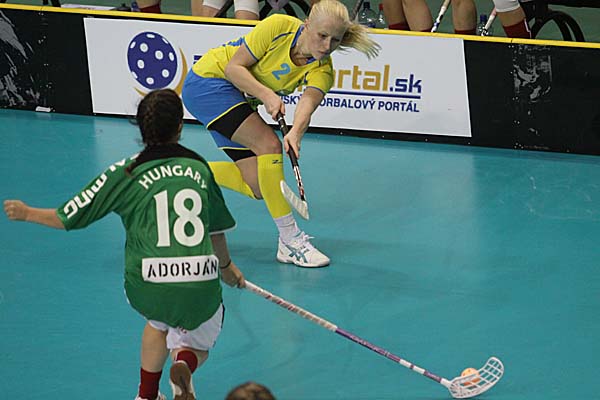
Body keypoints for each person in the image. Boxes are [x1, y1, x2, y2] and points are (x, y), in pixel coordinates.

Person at [3, 89, 245, 400]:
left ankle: (146, 395)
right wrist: (226, 267)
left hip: (148, 281)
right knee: (200, 335)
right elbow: (216, 231)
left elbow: (70, 216)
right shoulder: (199, 168)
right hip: (200, 278)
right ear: (179, 127)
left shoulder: (126, 172)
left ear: (141, 128)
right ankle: (184, 362)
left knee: (158, 321)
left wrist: (27, 213)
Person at [182, 0, 380, 268]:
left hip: (236, 97)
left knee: (258, 185)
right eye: (322, 35)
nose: (326, 46)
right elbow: (233, 68)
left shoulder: (322, 70)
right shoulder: (279, 26)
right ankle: (290, 239)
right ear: (307, 24)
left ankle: (183, 170)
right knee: (269, 145)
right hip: (208, 81)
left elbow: (307, 106)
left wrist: (295, 134)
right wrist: (267, 95)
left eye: (335, 40)